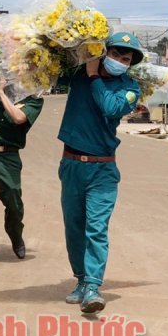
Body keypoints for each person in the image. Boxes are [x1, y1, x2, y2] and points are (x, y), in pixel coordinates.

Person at [57, 32, 142, 313]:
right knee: (74, 227)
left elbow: (110, 107)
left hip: (102, 169)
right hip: (71, 164)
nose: (119, 61)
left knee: (96, 228)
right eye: (116, 54)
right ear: (105, 52)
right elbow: (50, 76)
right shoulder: (79, 74)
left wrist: (94, 76)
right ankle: (81, 279)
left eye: (125, 59)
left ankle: (93, 287)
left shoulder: (129, 89)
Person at [0, 80, 44, 268]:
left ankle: (15, 235)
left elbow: (18, 118)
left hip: (9, 157)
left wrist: (2, 93)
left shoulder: (34, 100)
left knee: (13, 203)